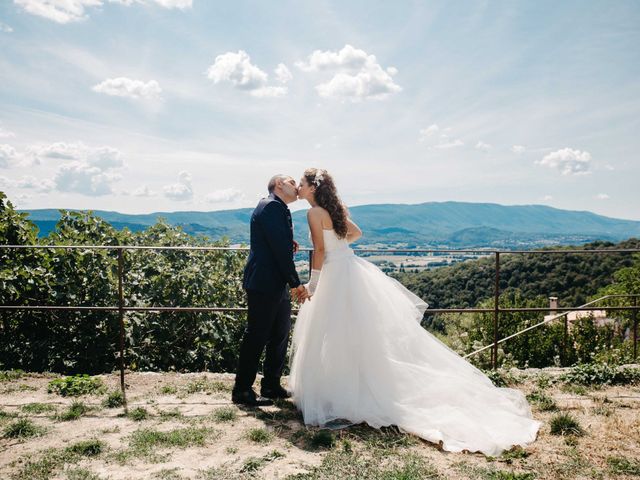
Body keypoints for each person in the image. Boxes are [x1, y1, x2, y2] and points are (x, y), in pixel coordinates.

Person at [289, 168, 541, 456]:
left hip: (334, 274)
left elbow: (319, 251)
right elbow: (356, 233)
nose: (299, 186)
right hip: (351, 268)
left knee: (331, 333)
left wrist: (313, 284)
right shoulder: (332, 210)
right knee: (357, 335)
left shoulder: (313, 213)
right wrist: (341, 248)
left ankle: (338, 391)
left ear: (312, 188)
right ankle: (354, 387)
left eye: (302, 182)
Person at [232, 174, 309, 407]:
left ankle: (271, 385)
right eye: (291, 182)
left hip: (274, 283)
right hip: (264, 282)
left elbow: (276, 242)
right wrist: (296, 283)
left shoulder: (277, 207)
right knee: (257, 335)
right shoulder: (271, 206)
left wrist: (288, 242)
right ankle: (242, 390)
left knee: (280, 333)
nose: (296, 186)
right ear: (278, 185)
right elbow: (278, 251)